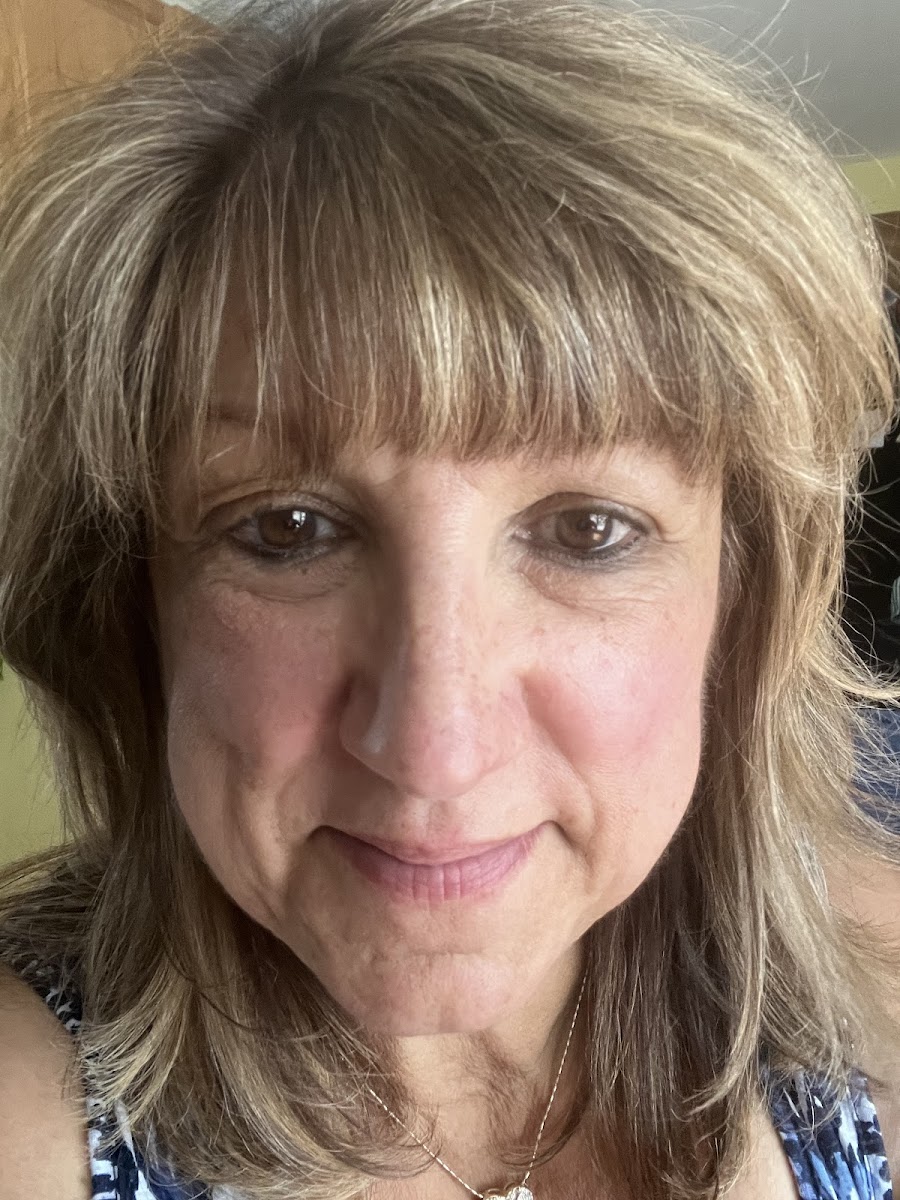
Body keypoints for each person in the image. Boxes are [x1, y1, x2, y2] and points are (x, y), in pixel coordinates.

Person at [0, 0, 899, 1197]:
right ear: (133, 607)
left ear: (743, 603)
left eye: (588, 529)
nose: (436, 749)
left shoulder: (873, 993)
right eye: (286, 529)